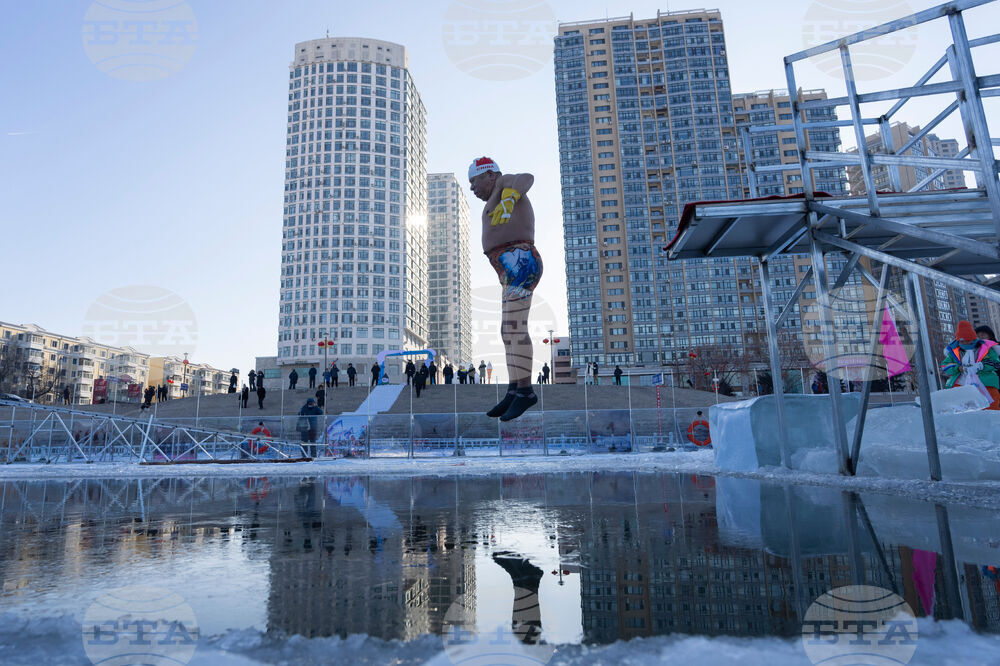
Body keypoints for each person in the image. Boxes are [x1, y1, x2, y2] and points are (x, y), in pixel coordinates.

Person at [471, 157, 541, 421]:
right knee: (507, 329)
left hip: (519, 260)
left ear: (489, 175)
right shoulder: (496, 193)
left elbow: (527, 177)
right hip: (509, 267)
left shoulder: (504, 182)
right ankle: (514, 388)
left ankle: (525, 391)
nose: (472, 188)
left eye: (474, 181)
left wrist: (510, 198)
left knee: (515, 327)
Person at [941, 320, 1000, 409]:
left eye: (968, 341)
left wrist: (981, 365)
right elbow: (945, 366)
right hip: (960, 383)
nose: (965, 343)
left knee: (990, 409)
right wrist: (958, 368)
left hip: (985, 383)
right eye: (962, 341)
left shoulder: (986, 348)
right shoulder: (953, 351)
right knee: (960, 410)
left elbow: (995, 363)